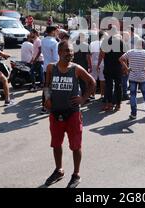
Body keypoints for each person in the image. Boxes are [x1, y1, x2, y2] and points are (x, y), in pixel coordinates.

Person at [43, 40, 95, 188]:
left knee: (76, 146)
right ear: (59, 52)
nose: (70, 54)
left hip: (72, 114)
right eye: (67, 51)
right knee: (56, 144)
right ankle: (59, 170)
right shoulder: (51, 68)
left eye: (71, 51)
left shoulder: (76, 69)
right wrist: (47, 98)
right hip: (55, 114)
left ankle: (76, 174)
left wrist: (83, 99)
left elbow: (92, 83)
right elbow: (46, 85)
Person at [119, 38, 145, 119]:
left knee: (133, 95)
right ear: (143, 45)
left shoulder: (131, 52)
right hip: (142, 77)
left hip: (132, 77)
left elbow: (121, 59)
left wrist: (127, 68)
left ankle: (133, 114)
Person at [97, 31, 124, 112]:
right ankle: (118, 105)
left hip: (108, 67)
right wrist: (125, 67)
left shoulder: (106, 42)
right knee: (118, 86)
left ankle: (109, 104)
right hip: (117, 68)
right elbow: (124, 56)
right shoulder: (121, 42)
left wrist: (98, 64)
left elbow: (102, 54)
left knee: (108, 86)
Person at [41, 25, 60, 114]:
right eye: (57, 31)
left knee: (46, 86)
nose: (58, 33)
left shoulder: (43, 40)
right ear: (53, 32)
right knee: (54, 87)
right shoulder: (54, 42)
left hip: (45, 66)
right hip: (53, 67)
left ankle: (44, 107)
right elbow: (56, 58)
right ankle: (51, 106)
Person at [73, 33, 91, 98]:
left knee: (75, 81)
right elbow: (88, 57)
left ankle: (74, 95)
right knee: (83, 81)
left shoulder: (73, 44)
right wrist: (90, 66)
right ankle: (84, 96)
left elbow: (71, 55)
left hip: (74, 65)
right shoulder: (86, 45)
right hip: (83, 65)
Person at [89, 31, 105, 101]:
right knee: (102, 79)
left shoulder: (92, 43)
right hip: (102, 63)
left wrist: (89, 65)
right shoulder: (104, 43)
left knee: (93, 79)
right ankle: (102, 95)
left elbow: (90, 55)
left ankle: (93, 95)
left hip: (93, 63)